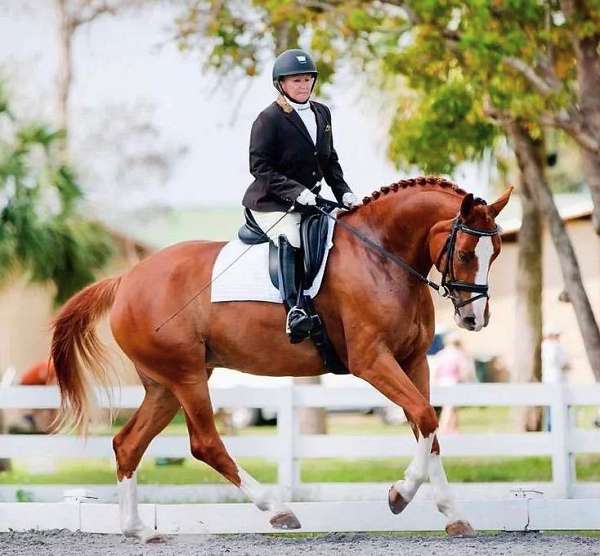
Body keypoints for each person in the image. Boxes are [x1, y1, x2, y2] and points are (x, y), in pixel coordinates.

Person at [242, 48, 359, 343]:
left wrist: (343, 193)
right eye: (296, 81)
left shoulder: (322, 113)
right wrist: (297, 192)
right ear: (281, 84)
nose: (303, 85)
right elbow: (260, 168)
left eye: (307, 79)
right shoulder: (268, 119)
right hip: (271, 202)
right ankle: (294, 310)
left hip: (311, 199)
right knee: (292, 237)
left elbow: (329, 159)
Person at [433, 332, 475, 434]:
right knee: (449, 407)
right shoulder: (459, 354)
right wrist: (467, 381)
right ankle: (443, 429)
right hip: (453, 382)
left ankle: (454, 428)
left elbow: (435, 369)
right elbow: (464, 370)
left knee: (450, 407)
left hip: (441, 381)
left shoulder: (441, 354)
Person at [541, 324, 571, 431]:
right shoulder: (555, 346)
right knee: (559, 411)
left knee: (549, 410)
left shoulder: (543, 346)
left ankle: (549, 433)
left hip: (547, 381)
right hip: (557, 382)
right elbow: (564, 363)